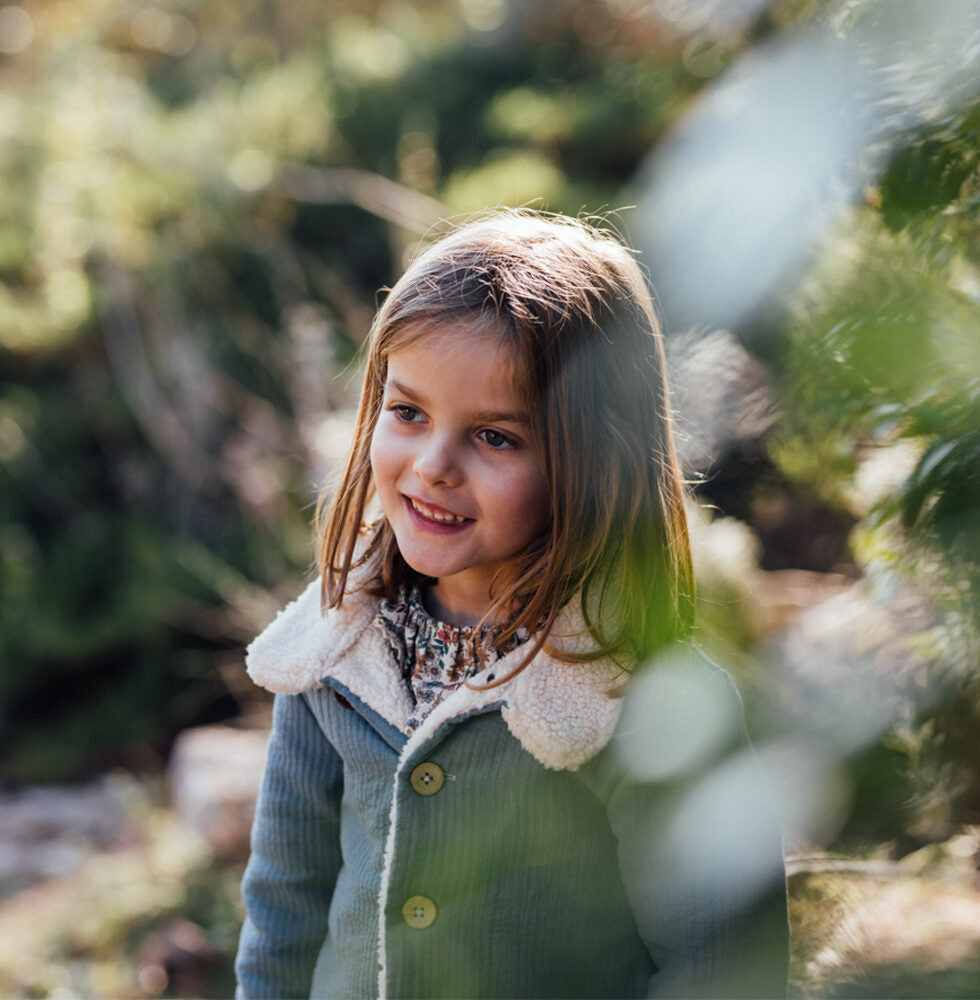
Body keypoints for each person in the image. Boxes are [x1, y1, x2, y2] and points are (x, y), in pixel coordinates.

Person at [234, 210, 788, 1000]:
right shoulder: (328, 655)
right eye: (408, 412)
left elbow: (728, 963)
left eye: (496, 437)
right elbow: (283, 910)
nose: (432, 466)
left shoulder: (645, 696)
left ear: (595, 461)